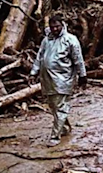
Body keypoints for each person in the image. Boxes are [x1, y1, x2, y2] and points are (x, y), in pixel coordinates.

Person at [28, 15, 87, 147]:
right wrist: (33, 72)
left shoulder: (70, 40)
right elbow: (39, 57)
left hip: (63, 79)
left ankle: (55, 136)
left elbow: (78, 59)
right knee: (54, 107)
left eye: (57, 26)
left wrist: (82, 76)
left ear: (63, 25)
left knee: (60, 107)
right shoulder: (46, 40)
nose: (55, 29)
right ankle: (65, 128)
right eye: (52, 26)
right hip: (47, 80)